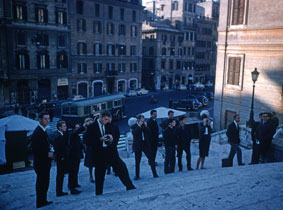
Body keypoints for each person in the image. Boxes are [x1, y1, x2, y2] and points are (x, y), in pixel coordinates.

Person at [84, 111, 136, 195]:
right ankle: (99, 192)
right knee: (99, 174)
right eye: (105, 119)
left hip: (111, 152)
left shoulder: (111, 124)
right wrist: (99, 140)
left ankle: (130, 186)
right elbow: (86, 140)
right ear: (100, 117)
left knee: (121, 167)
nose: (107, 121)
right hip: (99, 154)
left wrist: (112, 139)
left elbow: (116, 134)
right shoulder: (91, 127)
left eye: (108, 119)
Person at [31, 112, 53, 208]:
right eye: (45, 119)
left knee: (45, 182)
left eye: (48, 118)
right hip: (41, 163)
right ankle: (40, 201)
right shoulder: (37, 132)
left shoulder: (43, 131)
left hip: (44, 162)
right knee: (41, 183)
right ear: (39, 120)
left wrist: (49, 147)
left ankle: (43, 200)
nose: (47, 120)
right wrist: (48, 153)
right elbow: (36, 149)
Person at [132, 114, 158, 180]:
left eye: (143, 119)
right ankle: (137, 175)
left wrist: (146, 127)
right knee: (137, 161)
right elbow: (135, 133)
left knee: (151, 158)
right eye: (141, 119)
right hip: (138, 145)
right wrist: (139, 126)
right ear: (138, 119)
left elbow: (149, 133)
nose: (142, 120)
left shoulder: (145, 125)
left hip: (145, 144)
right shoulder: (134, 126)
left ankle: (154, 173)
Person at [68, 124, 85, 195]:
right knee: (73, 171)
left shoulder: (75, 135)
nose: (78, 129)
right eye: (77, 128)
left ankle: (75, 183)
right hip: (73, 156)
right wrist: (83, 126)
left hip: (77, 155)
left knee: (76, 170)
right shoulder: (72, 134)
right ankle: (72, 187)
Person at [53, 120, 69, 197]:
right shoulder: (59, 136)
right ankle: (59, 191)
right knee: (60, 175)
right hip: (61, 159)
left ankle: (59, 191)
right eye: (64, 126)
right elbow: (59, 149)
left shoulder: (60, 135)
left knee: (61, 175)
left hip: (61, 158)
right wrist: (62, 157)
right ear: (59, 127)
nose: (66, 128)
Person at [83, 117, 95, 183]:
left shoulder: (95, 130)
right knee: (90, 164)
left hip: (95, 147)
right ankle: (91, 176)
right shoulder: (86, 132)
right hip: (90, 148)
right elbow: (84, 142)